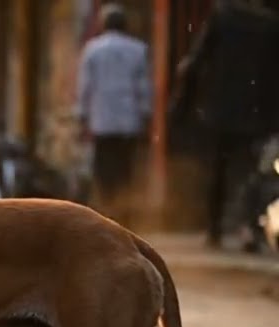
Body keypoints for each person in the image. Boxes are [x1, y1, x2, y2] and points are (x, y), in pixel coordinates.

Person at [170, 0, 279, 250]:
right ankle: (248, 227)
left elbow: (196, 60)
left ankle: (215, 228)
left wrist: (181, 103)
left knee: (219, 169)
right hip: (257, 110)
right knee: (251, 171)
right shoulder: (271, 24)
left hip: (222, 106)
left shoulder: (223, 16)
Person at [76, 3, 152, 229]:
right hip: (129, 122)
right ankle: (124, 216)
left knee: (103, 171)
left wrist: (82, 116)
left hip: (102, 122)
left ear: (103, 24)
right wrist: (146, 116)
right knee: (125, 171)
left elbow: (85, 87)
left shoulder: (92, 49)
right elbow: (144, 88)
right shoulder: (138, 49)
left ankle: (108, 213)